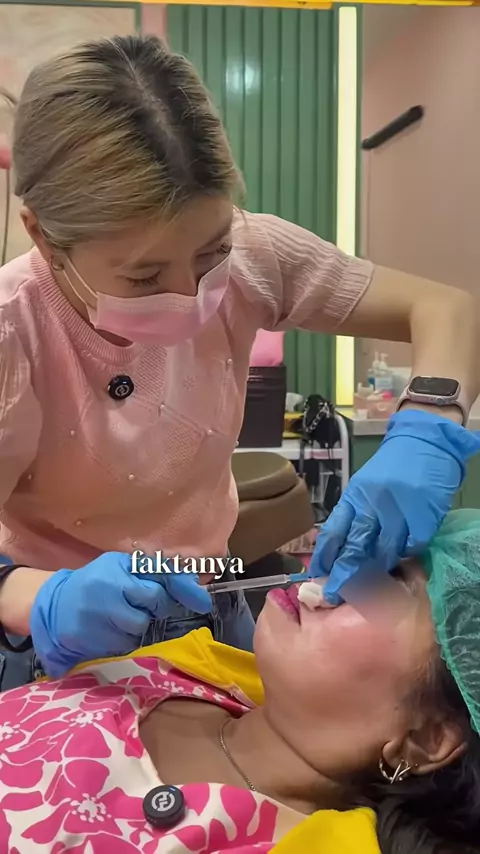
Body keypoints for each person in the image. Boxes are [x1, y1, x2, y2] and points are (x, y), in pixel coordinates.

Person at [0, 34, 479, 688]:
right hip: (56, 633)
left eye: (212, 254)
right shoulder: (14, 330)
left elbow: (446, 308)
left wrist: (427, 430)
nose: (191, 295)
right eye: (143, 277)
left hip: (209, 595)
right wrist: (44, 601)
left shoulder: (257, 254)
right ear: (43, 237)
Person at [0, 509, 479, 854]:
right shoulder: (192, 666)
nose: (331, 571)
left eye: (386, 581)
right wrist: (21, 592)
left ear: (428, 738)